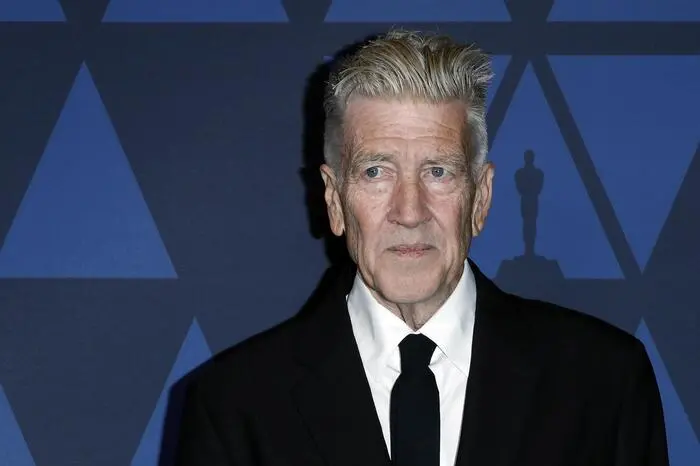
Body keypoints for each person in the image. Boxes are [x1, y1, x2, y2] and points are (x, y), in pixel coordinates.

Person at [174, 30, 669, 466]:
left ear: (481, 197)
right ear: (335, 200)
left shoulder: (604, 383)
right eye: (375, 172)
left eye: (438, 171)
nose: (409, 210)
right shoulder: (235, 407)